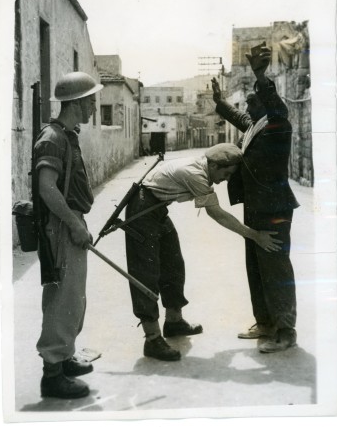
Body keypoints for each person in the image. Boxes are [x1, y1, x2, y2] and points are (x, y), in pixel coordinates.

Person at [125, 143, 282, 361]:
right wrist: (255, 235)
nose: (226, 179)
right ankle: (152, 339)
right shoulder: (195, 174)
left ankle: (173, 321)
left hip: (157, 208)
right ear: (215, 164)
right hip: (142, 210)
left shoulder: (203, 168)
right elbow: (217, 213)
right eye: (225, 173)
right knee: (146, 272)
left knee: (174, 264)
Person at [211, 45, 300, 353]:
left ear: (266, 104)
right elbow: (239, 116)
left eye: (253, 100)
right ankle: (264, 322)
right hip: (255, 209)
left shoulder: (278, 126)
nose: (247, 104)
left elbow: (275, 105)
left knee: (275, 268)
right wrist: (220, 103)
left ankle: (285, 330)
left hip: (274, 211)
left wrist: (261, 75)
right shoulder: (255, 126)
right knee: (256, 267)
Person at [34, 71, 103, 398]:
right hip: (61, 226)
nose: (93, 106)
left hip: (71, 221)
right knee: (62, 300)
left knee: (74, 297)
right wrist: (74, 225)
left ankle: (64, 356)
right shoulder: (53, 138)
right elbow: (47, 188)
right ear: (76, 102)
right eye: (90, 100)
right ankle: (53, 374)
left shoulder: (67, 133)